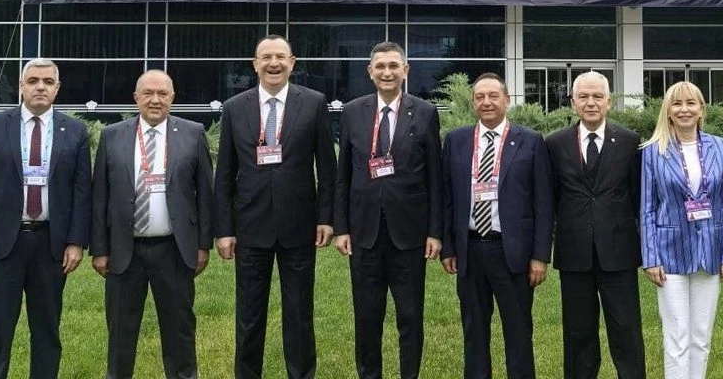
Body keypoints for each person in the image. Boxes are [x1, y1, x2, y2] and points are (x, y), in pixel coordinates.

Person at [215, 34, 336, 379]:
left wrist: (326, 218)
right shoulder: (235, 108)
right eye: (266, 57)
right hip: (250, 228)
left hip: (300, 226)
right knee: (249, 316)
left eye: (280, 57)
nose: (273, 63)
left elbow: (328, 169)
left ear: (292, 63)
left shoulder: (313, 103)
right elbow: (224, 175)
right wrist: (224, 229)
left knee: (299, 314)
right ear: (255, 64)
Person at [0, 59, 91, 379]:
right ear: (21, 87)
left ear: (57, 89)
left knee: (47, 330)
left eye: (48, 82)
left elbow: (82, 193)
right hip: (3, 244)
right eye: (33, 81)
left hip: (51, 246)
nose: (40, 87)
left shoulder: (74, 132)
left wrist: (76, 242)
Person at [91, 70, 214, 379]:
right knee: (120, 331)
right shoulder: (112, 135)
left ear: (173, 98)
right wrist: (100, 249)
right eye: (148, 93)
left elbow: (205, 193)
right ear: (136, 98)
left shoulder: (193, 133)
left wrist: (203, 245)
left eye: (162, 94)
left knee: (179, 330)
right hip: (124, 250)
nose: (155, 100)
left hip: (174, 250)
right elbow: (99, 196)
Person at [333, 41, 444, 379]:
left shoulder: (425, 112)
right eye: (380, 66)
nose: (387, 72)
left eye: (394, 65)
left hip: (409, 233)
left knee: (410, 315)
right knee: (367, 316)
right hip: (364, 232)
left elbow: (435, 178)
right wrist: (342, 227)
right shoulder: (353, 112)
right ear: (370, 72)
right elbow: (343, 175)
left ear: (405, 70)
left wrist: (435, 232)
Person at [441, 73, 553, 379]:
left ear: (507, 100)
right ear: (472, 103)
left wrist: (540, 256)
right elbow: (447, 197)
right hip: (470, 250)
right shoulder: (456, 141)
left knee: (518, 331)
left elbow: (544, 203)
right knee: (474, 330)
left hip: (513, 252)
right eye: (480, 97)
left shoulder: (530, 141)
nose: (486, 102)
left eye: (493, 96)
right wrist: (449, 247)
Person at [545, 71, 646, 379]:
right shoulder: (555, 144)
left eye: (597, 96)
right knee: (578, 333)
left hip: (618, 252)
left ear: (609, 102)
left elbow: (637, 197)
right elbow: (550, 198)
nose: (591, 103)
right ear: (573, 102)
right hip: (574, 253)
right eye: (583, 97)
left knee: (626, 330)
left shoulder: (629, 142)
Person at [640, 80, 723, 379]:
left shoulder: (722, 148)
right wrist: (650, 257)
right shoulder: (653, 152)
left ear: (701, 110)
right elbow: (647, 207)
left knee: (701, 336)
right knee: (676, 336)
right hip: (669, 254)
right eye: (677, 104)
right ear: (668, 111)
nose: (684, 109)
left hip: (710, 250)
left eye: (690, 103)